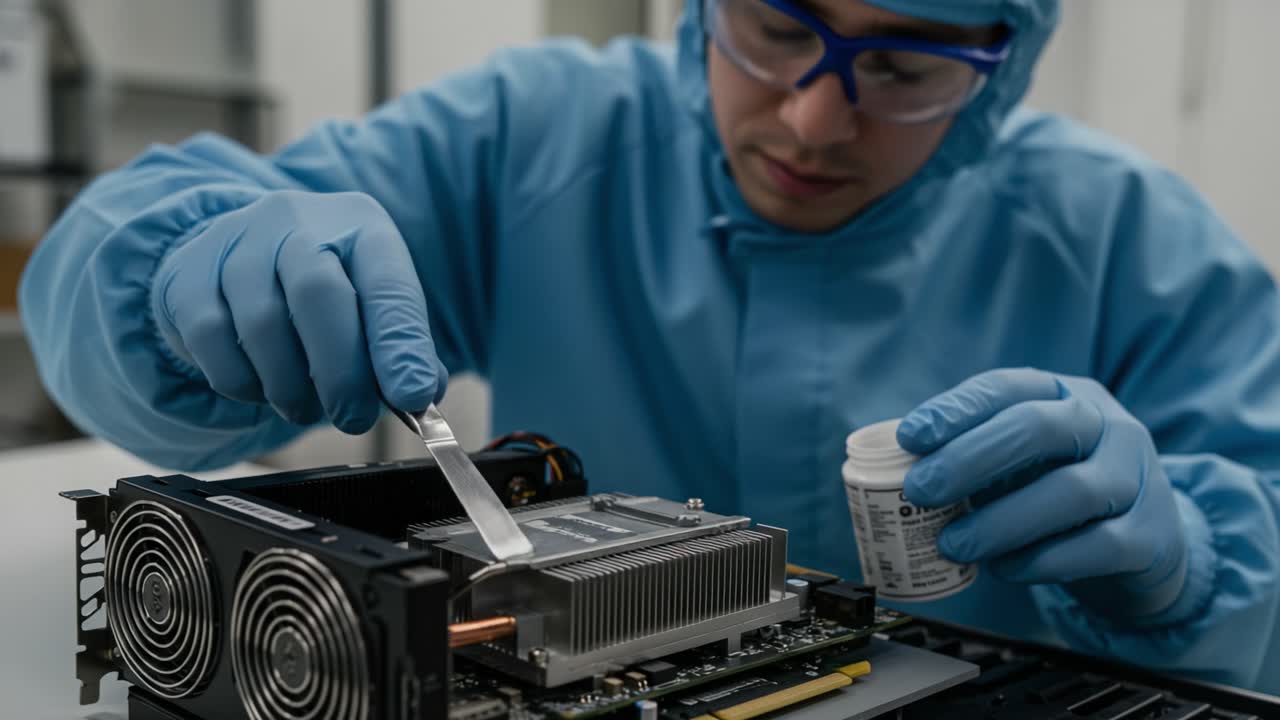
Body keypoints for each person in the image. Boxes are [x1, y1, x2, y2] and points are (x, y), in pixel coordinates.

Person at [19, 0, 1280, 693]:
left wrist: (1190, 580)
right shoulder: (531, 133)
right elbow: (115, 289)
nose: (811, 114)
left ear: (1001, 63)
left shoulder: (1127, 232)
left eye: (901, 63)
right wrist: (172, 277)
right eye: (780, 24)